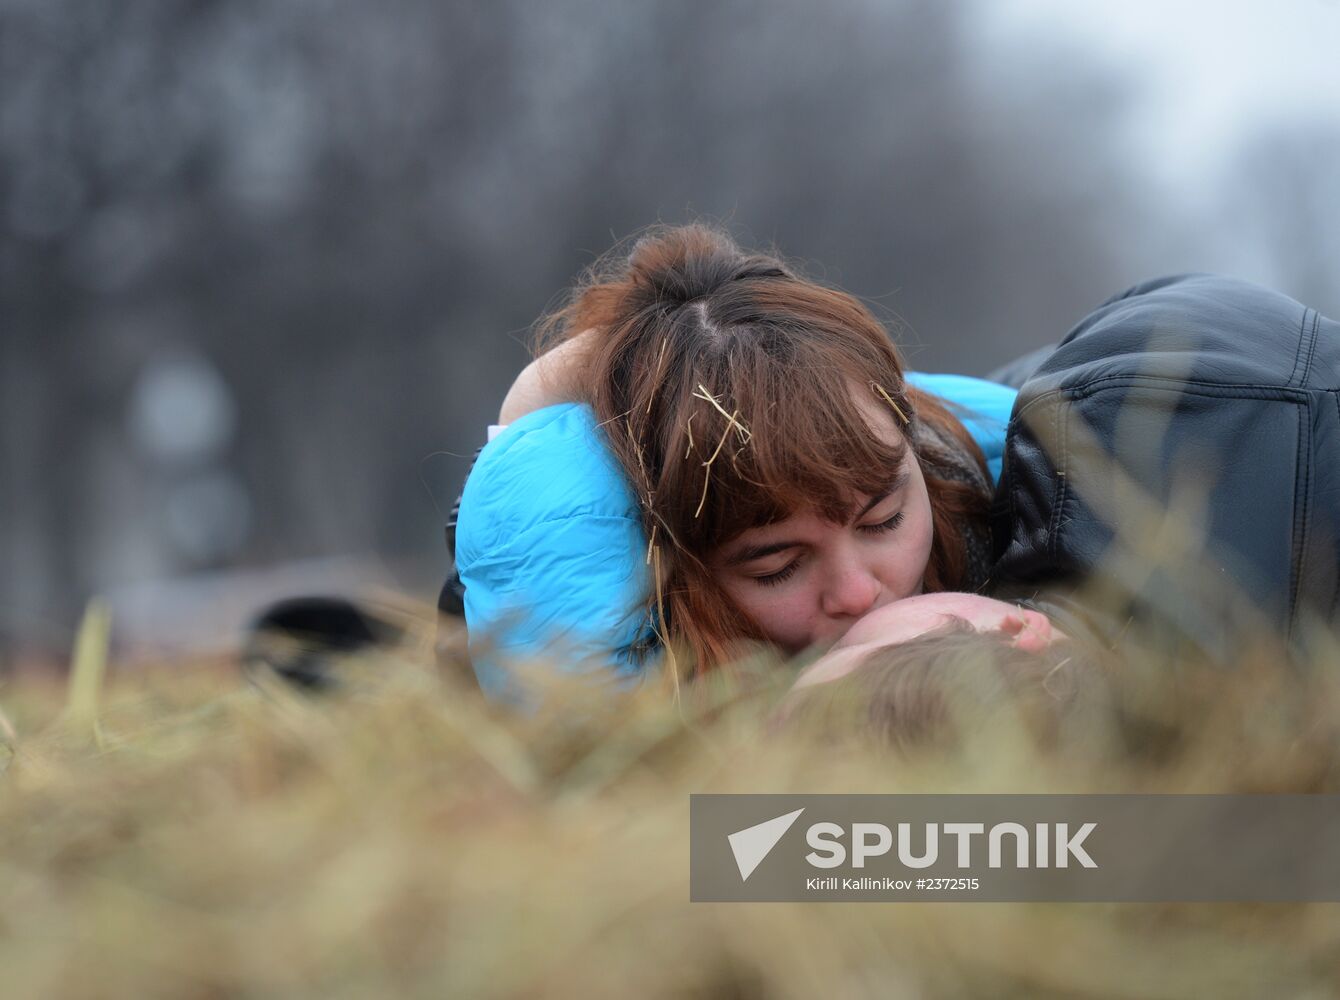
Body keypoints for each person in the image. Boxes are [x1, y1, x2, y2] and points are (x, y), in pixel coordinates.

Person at [451, 223, 1017, 696]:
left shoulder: (1038, 486)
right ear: (670, 563)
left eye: (885, 519)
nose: (856, 593)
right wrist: (530, 408)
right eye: (776, 566)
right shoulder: (653, 637)